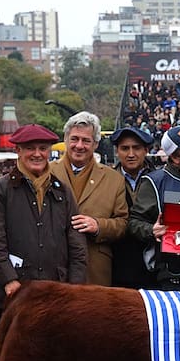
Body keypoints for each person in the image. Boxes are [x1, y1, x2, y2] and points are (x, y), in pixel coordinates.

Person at [0, 124, 87, 306]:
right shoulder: (0, 189)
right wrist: (8, 279)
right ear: (18, 151)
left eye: (43, 148)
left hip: (57, 291)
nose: (37, 154)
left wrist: (75, 287)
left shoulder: (62, 191)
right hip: (14, 292)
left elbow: (76, 243)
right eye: (30, 148)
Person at [127, 125, 180, 294]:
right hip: (174, 280)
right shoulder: (155, 182)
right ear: (175, 158)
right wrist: (151, 230)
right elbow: (133, 222)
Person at [49, 111, 128, 287]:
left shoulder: (114, 179)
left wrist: (98, 226)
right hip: (52, 267)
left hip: (95, 269)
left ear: (96, 144)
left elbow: (123, 224)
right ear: (66, 139)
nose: (79, 145)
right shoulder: (46, 173)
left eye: (86, 141)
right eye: (74, 139)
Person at [108, 125, 154, 289]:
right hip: (118, 264)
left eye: (136, 148)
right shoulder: (107, 180)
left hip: (152, 264)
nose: (131, 154)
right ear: (117, 151)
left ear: (146, 150)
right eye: (125, 148)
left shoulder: (159, 179)